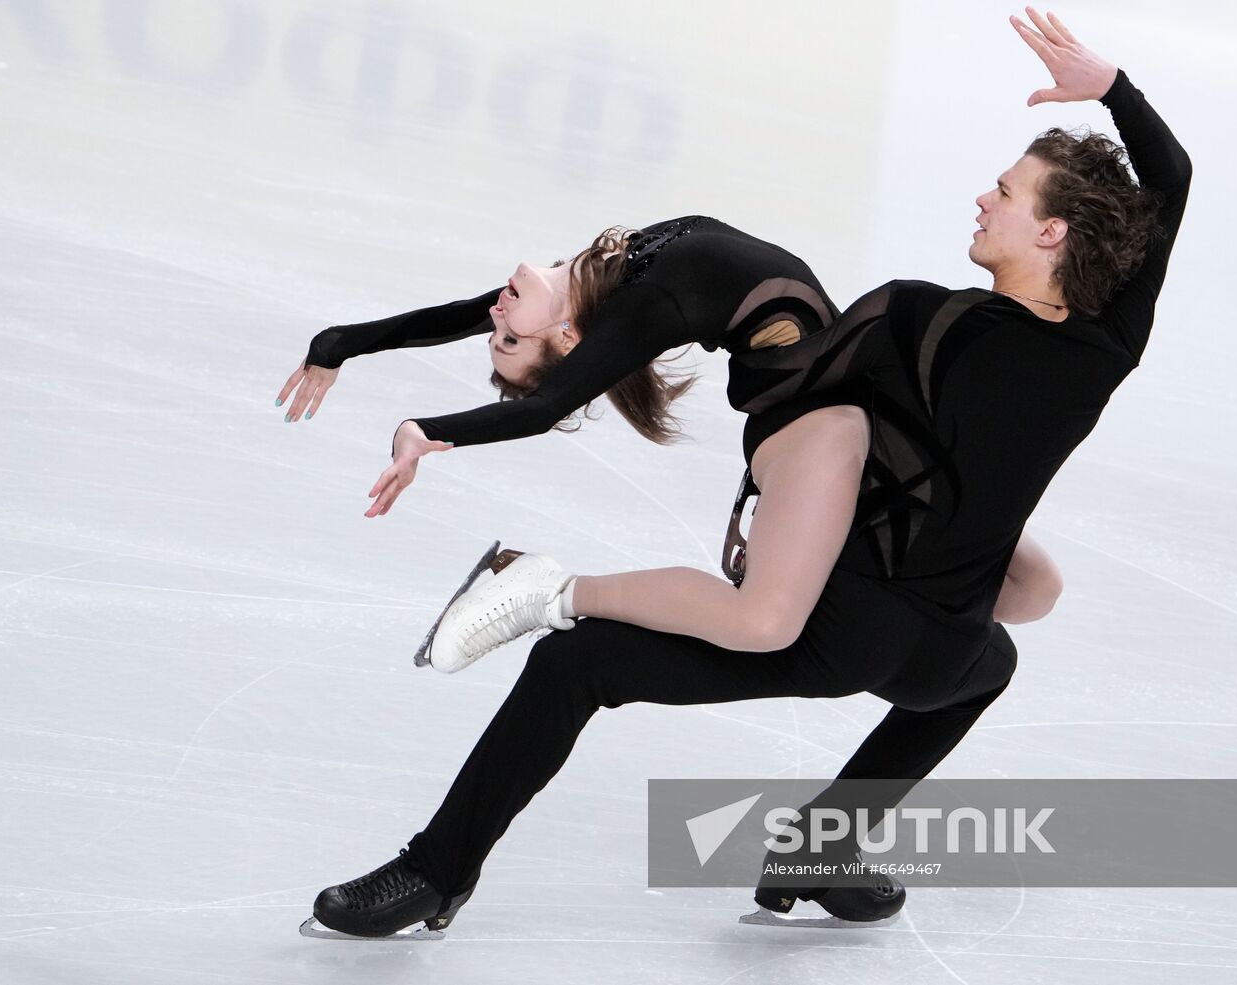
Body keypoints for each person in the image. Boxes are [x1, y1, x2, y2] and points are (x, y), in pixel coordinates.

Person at [292, 8, 1190, 940]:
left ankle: (438, 865)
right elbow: (1174, 179)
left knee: (578, 662)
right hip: (938, 649)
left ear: (1050, 233)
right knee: (991, 663)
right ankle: (824, 846)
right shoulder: (1108, 342)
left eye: (1004, 193)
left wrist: (753, 497)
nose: (982, 200)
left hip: (833, 626)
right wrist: (1113, 90)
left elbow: (793, 407)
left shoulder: (916, 317)